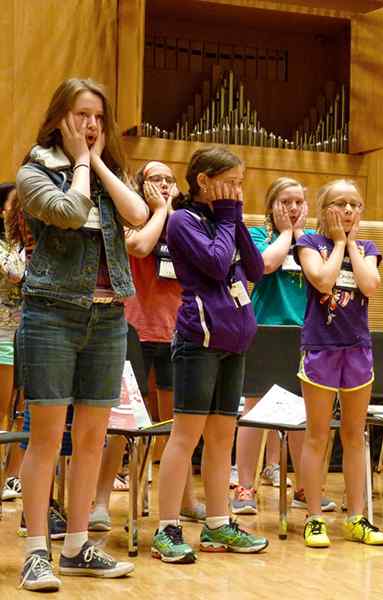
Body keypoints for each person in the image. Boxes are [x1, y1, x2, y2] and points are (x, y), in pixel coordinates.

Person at [15, 78, 147, 590]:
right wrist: (79, 163)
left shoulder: (104, 169)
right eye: (80, 115)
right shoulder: (32, 173)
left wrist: (96, 164)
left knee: (92, 438)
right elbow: (70, 214)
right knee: (46, 437)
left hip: (109, 316)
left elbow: (137, 215)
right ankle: (35, 551)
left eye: (97, 117)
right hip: (52, 313)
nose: (90, 125)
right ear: (59, 119)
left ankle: (75, 546)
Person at [152, 146, 267, 564]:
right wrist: (228, 217)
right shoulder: (182, 221)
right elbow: (218, 267)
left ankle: (219, 525)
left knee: (223, 438)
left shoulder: (226, 218)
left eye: (241, 183)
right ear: (204, 180)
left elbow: (253, 270)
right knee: (186, 436)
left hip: (233, 342)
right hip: (197, 342)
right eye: (231, 182)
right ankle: (166, 528)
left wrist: (233, 219)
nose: (238, 191)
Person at [90, 161, 204, 532]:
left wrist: (169, 213)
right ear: (141, 186)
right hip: (134, 329)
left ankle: (186, 500)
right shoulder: (135, 217)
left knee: (178, 424)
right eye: (156, 179)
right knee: (122, 424)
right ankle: (102, 502)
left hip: (176, 331)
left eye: (170, 180)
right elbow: (138, 248)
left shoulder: (185, 222)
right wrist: (159, 211)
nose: (165, 185)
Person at [233, 177, 336, 515]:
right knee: (253, 408)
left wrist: (299, 237)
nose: (293, 208)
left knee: (302, 412)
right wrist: (287, 233)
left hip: (305, 334)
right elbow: (263, 266)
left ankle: (304, 487)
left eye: (299, 203)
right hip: (265, 331)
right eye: (286, 202)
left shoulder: (314, 242)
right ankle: (244, 486)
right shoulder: (258, 236)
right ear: (272, 206)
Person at [296, 179, 383, 548]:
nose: (349, 211)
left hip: (357, 350)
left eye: (355, 204)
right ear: (324, 210)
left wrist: (350, 243)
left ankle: (356, 517)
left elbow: (369, 286)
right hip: (321, 347)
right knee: (318, 435)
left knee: (354, 436)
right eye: (340, 204)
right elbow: (322, 280)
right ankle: (315, 518)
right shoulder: (310, 244)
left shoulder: (367, 248)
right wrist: (337, 243)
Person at [0, 184, 25, 501]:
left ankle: (13, 477)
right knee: (1, 411)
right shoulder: (6, 246)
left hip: (30, 333)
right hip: (3, 335)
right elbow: (15, 272)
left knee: (22, 411)